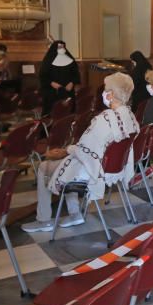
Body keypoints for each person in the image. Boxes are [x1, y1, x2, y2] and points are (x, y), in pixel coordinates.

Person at [22, 73, 140, 233]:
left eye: (106, 90)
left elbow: (84, 150)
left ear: (111, 94)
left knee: (44, 167)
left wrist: (64, 151)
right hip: (113, 167)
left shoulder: (105, 119)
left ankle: (43, 220)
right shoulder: (131, 116)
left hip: (95, 170)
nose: (104, 93)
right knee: (70, 161)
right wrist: (68, 152)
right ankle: (74, 214)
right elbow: (90, 148)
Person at [39, 40, 81, 116]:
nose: (62, 48)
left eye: (63, 47)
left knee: (68, 113)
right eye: (59, 47)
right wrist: (51, 83)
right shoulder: (48, 61)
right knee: (52, 113)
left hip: (68, 91)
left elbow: (76, 75)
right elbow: (43, 76)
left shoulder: (70, 60)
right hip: (52, 92)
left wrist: (72, 82)